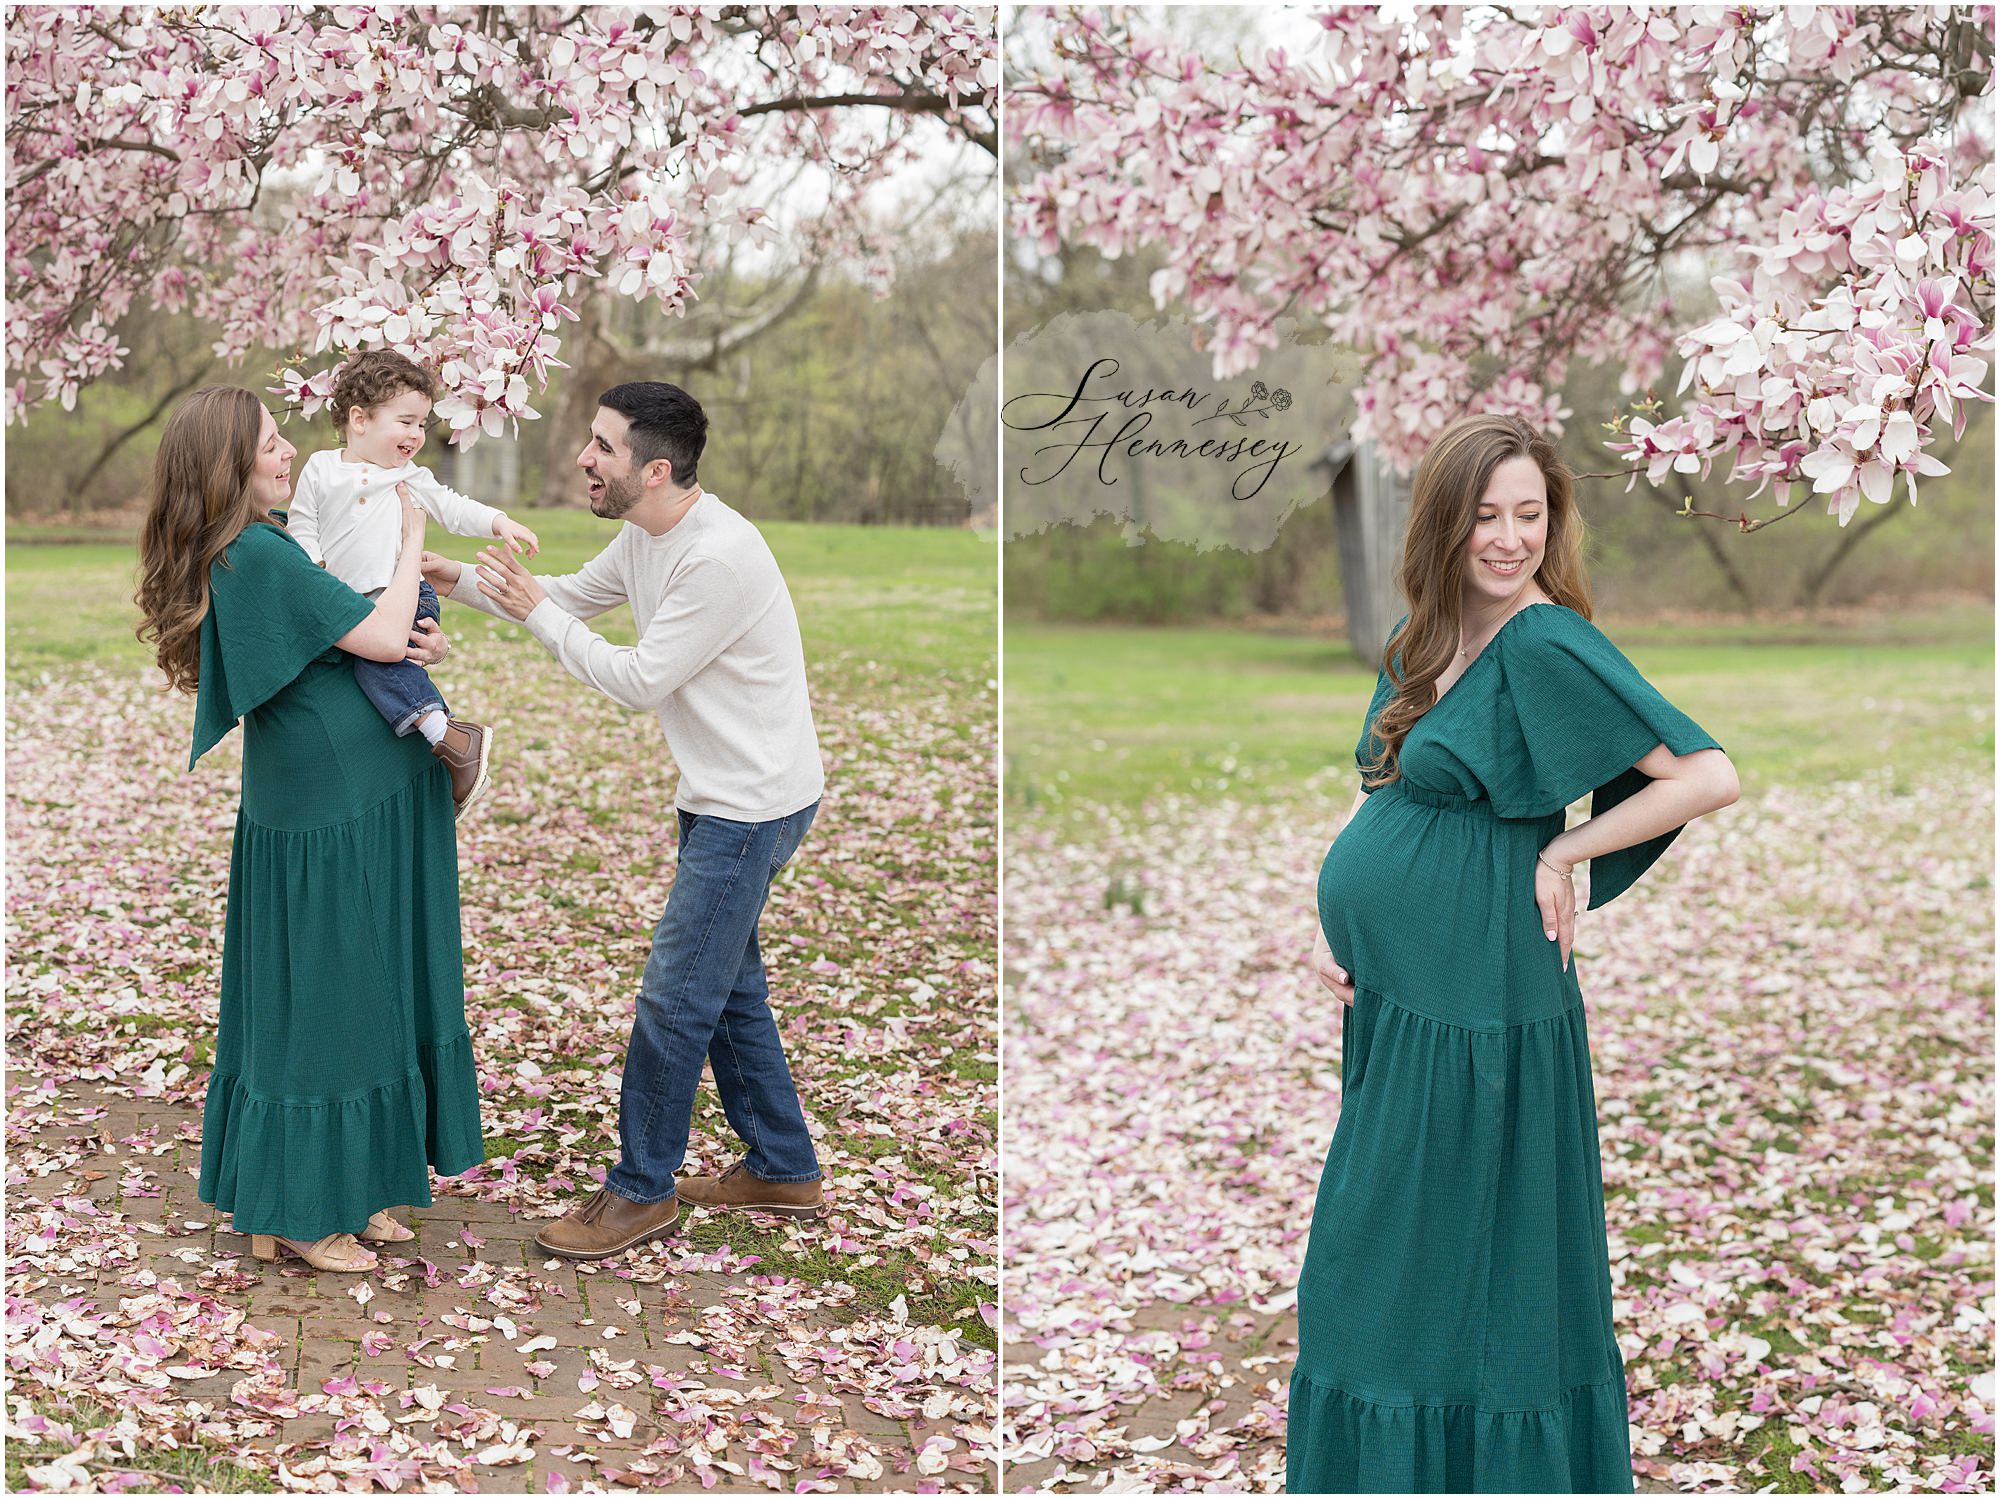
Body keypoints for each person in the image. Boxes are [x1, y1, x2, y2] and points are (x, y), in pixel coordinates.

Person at [1291, 414, 1739, 1493]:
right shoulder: (1425, 635)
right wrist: (1338, 922)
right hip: (1398, 998)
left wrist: (1569, 847)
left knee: (1453, 1252)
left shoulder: (1544, 642)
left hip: (1482, 992)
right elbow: (1386, 798)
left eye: (1528, 514)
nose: (1507, 538)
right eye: (1485, 515)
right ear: (1443, 523)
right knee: (1380, 1254)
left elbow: (1705, 772)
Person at [422, 381, 826, 1260]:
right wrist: (456, 580)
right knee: (729, 991)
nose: (582, 457)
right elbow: (566, 594)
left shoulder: (717, 556)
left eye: (600, 446)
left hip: (751, 804)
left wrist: (533, 611)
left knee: (675, 999)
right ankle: (784, 1167)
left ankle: (640, 1192)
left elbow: (640, 678)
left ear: (654, 468)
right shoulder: (647, 535)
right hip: (727, 792)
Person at [135, 386, 485, 1275]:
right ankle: (297, 1204)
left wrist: (421, 635)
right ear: (226, 465)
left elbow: (366, 630)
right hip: (336, 796)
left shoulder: (260, 545)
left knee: (353, 982)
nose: (288, 451)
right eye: (268, 444)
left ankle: (349, 1183)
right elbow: (372, 631)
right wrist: (412, 550)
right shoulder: (255, 550)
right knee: (331, 990)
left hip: (337, 783)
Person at [288, 350, 541, 817]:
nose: (417, 436)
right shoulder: (322, 469)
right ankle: (451, 739)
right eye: (406, 422)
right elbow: (303, 525)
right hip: (348, 600)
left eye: (422, 425)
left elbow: (454, 507)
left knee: (380, 665)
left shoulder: (410, 477)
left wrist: (499, 521)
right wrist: (311, 563)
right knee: (362, 668)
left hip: (402, 592)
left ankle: (449, 739)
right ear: (359, 419)